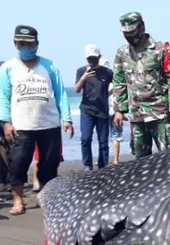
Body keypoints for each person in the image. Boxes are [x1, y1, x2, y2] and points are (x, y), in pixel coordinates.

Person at [0, 25, 73, 216]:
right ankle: (18, 199)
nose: (25, 46)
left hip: (49, 124)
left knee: (49, 164)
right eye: (21, 43)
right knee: (17, 163)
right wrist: (5, 122)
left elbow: (60, 94)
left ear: (37, 44)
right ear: (15, 44)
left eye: (29, 43)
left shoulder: (50, 66)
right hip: (21, 126)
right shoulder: (8, 68)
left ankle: (45, 196)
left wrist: (67, 118)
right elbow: (3, 97)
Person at [113, 12, 170, 158]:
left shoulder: (161, 49)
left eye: (132, 31)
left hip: (160, 113)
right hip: (137, 116)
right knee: (140, 160)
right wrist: (119, 110)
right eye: (125, 33)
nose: (129, 36)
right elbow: (119, 81)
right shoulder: (122, 53)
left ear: (142, 28)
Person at [75, 44, 114, 170]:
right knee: (86, 139)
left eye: (94, 58)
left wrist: (107, 94)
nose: (91, 61)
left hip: (102, 111)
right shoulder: (81, 71)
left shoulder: (107, 72)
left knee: (103, 142)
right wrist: (84, 78)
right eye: (89, 59)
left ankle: (103, 166)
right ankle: (87, 165)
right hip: (87, 110)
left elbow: (118, 86)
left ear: (99, 57)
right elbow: (76, 89)